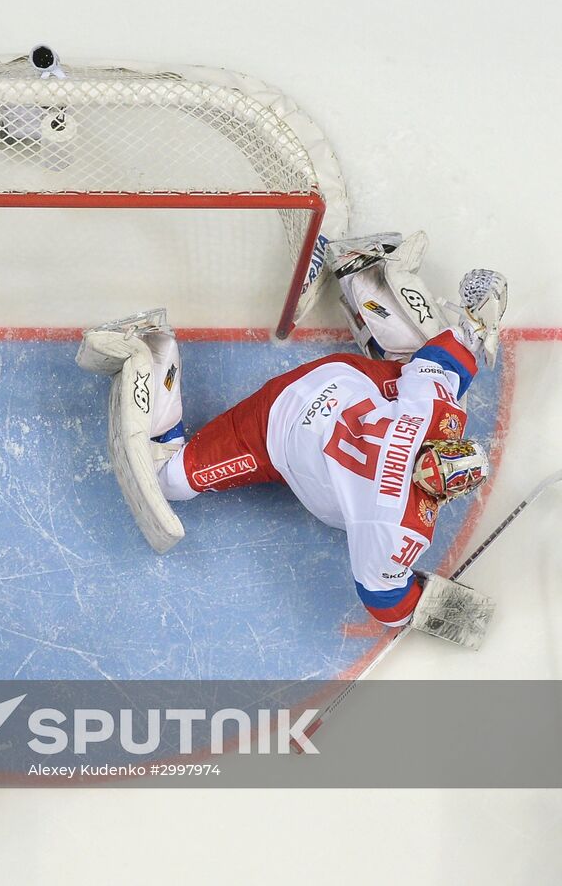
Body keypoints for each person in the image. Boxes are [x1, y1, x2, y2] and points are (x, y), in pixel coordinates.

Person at [77, 255, 507, 643]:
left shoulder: (437, 416)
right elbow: (387, 604)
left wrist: (474, 324)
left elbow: (442, 360)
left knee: (429, 370)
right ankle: (151, 347)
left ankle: (367, 276)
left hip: (337, 379)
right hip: (273, 429)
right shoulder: (398, 527)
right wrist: (440, 609)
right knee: (166, 479)